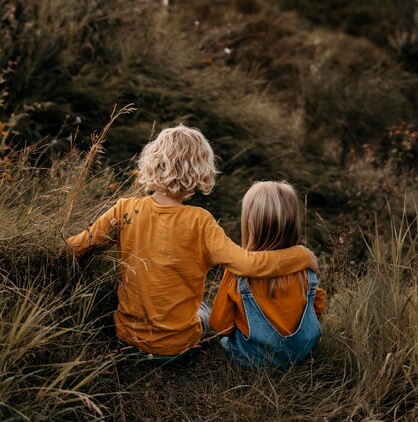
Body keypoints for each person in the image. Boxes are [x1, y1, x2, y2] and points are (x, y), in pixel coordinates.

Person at [66, 126, 319, 366]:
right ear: (200, 171)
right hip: (177, 350)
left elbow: (77, 247)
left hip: (127, 342)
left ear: (152, 163)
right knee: (205, 311)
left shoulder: (124, 210)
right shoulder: (201, 222)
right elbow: (249, 264)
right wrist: (302, 255)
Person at [209, 181, 326, 369]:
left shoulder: (237, 272)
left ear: (249, 224)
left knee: (221, 337)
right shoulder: (305, 266)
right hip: (300, 354)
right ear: (292, 224)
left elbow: (220, 325)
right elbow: (317, 308)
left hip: (252, 359)